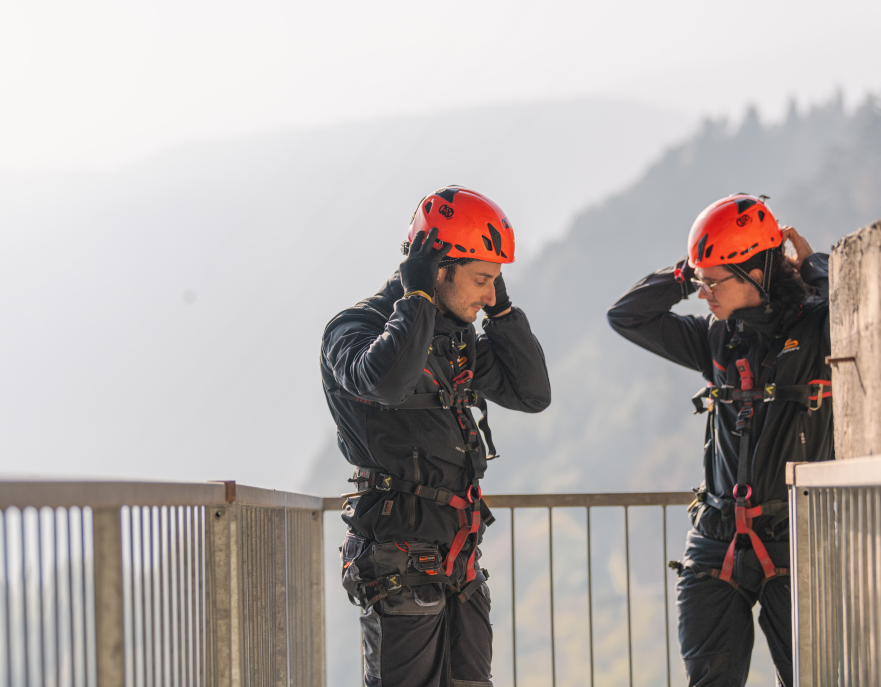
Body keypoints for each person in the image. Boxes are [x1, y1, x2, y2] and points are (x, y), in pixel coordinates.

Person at [320, 185, 551, 687]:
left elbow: (531, 393)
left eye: (497, 283)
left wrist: (504, 311)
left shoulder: (455, 339)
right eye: (483, 280)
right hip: (399, 562)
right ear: (439, 268)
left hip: (457, 564)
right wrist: (418, 298)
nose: (489, 294)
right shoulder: (354, 328)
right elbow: (388, 380)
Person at [607, 194, 833, 687]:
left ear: (757, 272)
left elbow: (860, 298)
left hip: (796, 541)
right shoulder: (715, 337)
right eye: (700, 280)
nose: (704, 291)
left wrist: (813, 265)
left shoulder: (818, 327)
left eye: (714, 280)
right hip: (716, 540)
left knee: (812, 678)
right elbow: (626, 316)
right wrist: (687, 272)